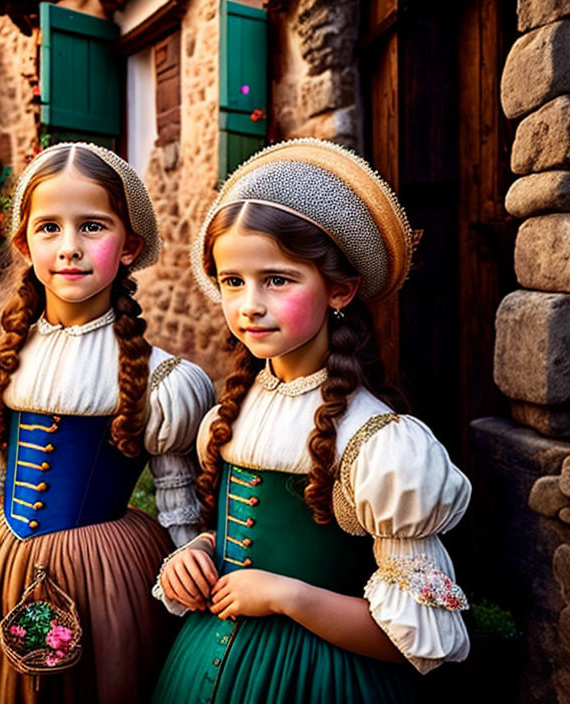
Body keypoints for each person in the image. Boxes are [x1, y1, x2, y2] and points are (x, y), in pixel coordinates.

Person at [151, 139, 472, 703]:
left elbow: (420, 642)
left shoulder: (379, 443)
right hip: (204, 658)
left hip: (322, 676)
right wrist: (199, 553)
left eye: (277, 279)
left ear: (340, 290)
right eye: (233, 281)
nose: (249, 303)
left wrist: (287, 596)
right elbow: (246, 537)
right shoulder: (230, 414)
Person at [0, 143, 215, 704]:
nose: (69, 248)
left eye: (92, 226)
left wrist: (185, 575)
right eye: (49, 228)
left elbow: (176, 500)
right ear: (24, 244)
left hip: (107, 573)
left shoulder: (161, 381)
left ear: (129, 247)